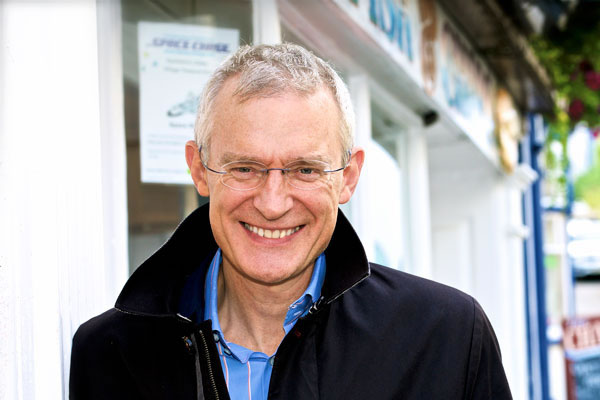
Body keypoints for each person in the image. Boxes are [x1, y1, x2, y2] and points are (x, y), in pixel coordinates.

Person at [70, 43, 512, 399]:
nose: (274, 202)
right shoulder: (109, 354)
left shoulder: (446, 338)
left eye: (305, 169)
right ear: (199, 169)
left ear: (348, 177)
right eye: (245, 168)